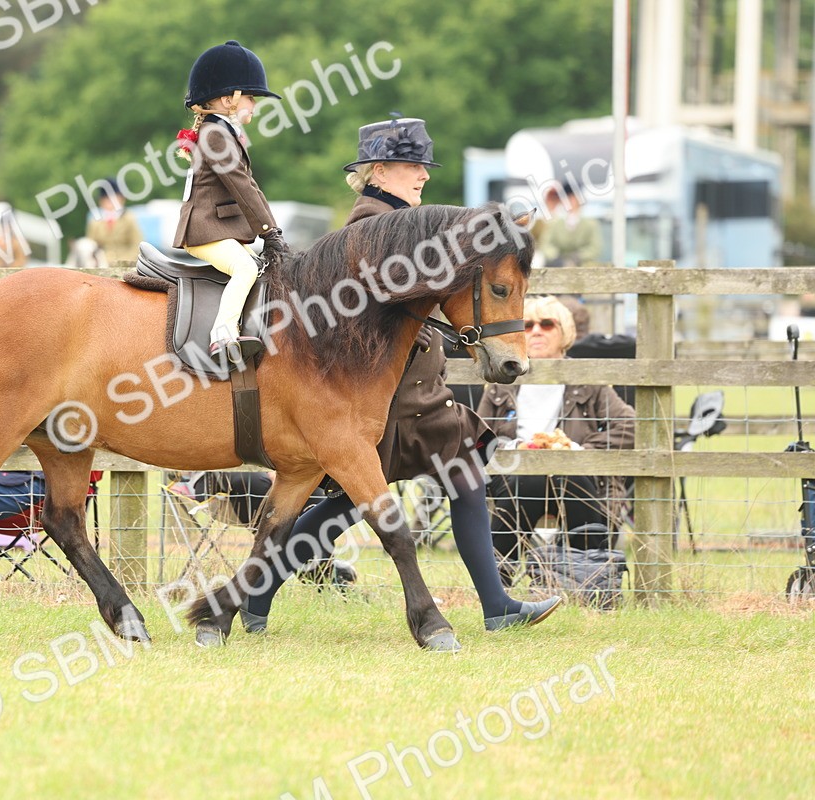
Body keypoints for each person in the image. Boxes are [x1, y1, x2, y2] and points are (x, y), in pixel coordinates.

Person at [227, 119, 560, 643]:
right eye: (412, 165)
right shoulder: (372, 223)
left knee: (447, 481)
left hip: (416, 392)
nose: (424, 174)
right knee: (347, 502)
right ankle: (255, 592)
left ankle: (497, 606)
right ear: (378, 171)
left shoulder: (405, 220)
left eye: (425, 165)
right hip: (389, 397)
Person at [478, 295, 635, 583]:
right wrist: (513, 448)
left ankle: (579, 578)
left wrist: (578, 450)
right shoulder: (501, 380)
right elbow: (476, 438)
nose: (536, 331)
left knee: (559, 474)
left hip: (576, 478)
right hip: (512, 477)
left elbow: (630, 426)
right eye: (527, 325)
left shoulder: (587, 380)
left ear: (565, 333)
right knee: (529, 478)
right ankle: (501, 585)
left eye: (547, 324)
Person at [172, 40, 288, 368]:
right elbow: (242, 187)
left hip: (217, 226)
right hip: (205, 229)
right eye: (251, 97)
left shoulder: (222, 132)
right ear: (229, 99)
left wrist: (271, 231)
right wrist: (269, 232)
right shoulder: (215, 135)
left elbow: (250, 186)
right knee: (246, 267)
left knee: (260, 268)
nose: (254, 104)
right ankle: (222, 336)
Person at [533, 183, 602, 267]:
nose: (570, 202)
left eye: (573, 199)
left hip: (583, 265)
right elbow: (545, 244)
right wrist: (556, 256)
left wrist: (579, 256)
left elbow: (595, 248)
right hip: (558, 265)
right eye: (567, 199)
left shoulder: (590, 224)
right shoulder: (555, 223)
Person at [85, 180, 143, 265]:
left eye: (114, 198)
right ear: (101, 201)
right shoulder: (95, 222)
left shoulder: (129, 219)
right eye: (106, 199)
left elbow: (136, 246)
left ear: (122, 199)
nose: (110, 202)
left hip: (125, 264)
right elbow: (90, 246)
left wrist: (124, 262)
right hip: (101, 264)